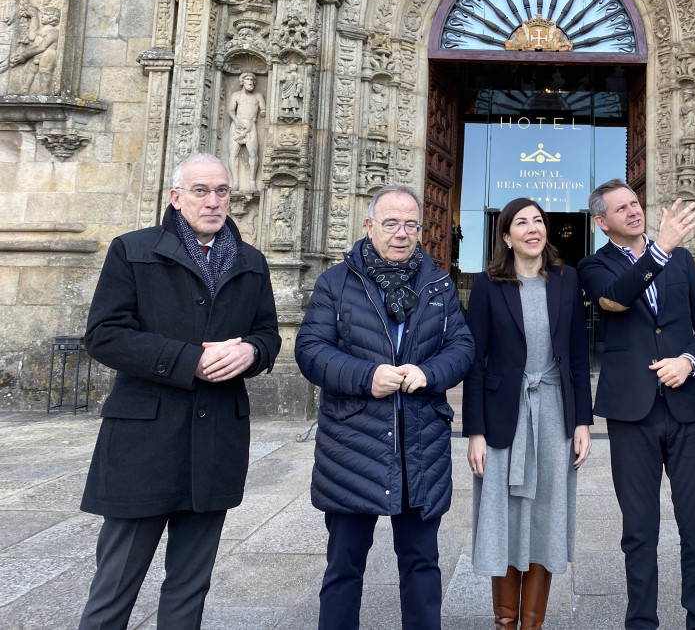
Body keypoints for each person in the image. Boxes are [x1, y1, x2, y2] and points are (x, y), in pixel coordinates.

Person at [77, 153, 281, 629]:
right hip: (143, 443)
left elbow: (268, 333)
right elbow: (105, 334)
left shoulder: (251, 262)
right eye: (200, 191)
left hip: (216, 444)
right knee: (115, 586)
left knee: (190, 586)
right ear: (176, 197)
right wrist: (189, 361)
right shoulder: (132, 249)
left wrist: (252, 353)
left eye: (222, 191)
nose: (213, 201)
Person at [295, 185, 474, 630]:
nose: (402, 233)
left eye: (411, 224)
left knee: (421, 564)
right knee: (344, 567)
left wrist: (430, 374)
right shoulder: (336, 282)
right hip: (352, 445)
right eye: (391, 223)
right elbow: (311, 349)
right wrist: (365, 377)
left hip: (420, 445)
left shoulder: (437, 283)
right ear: (369, 225)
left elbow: (462, 346)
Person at [578, 179, 695, 630]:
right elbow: (616, 299)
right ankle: (642, 621)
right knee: (640, 529)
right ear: (602, 223)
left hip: (686, 407)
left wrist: (689, 361)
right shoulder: (593, 264)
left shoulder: (681, 258)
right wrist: (659, 248)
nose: (633, 212)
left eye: (636, 203)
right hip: (631, 411)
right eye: (621, 209)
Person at [462, 197, 593, 630]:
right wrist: (474, 432)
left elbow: (576, 355)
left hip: (554, 412)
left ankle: (532, 625)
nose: (533, 228)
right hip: (504, 416)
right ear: (506, 236)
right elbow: (476, 361)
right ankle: (504, 622)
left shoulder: (566, 280)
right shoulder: (487, 285)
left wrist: (582, 422)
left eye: (538, 221)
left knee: (546, 516)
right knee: (504, 516)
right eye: (522, 222)